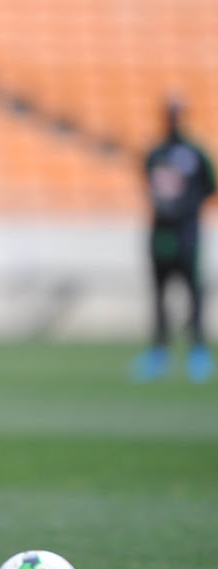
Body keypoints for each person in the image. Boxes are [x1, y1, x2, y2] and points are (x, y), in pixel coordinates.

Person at [132, 95, 216, 383]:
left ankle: (198, 350)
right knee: (160, 294)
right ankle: (159, 351)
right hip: (160, 234)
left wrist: (186, 208)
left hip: (187, 233)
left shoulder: (195, 153)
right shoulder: (155, 153)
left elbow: (209, 186)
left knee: (194, 292)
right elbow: (148, 184)